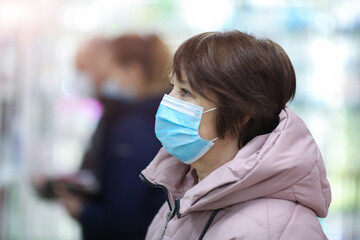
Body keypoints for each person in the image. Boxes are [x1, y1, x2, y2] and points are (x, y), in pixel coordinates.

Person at [140, 30, 332, 239]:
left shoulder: (284, 229)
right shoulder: (181, 197)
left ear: (240, 114)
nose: (168, 100)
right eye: (172, 87)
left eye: (186, 92)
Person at [38, 34, 171, 240]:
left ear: (133, 72)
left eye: (110, 74)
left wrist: (82, 211)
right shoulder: (145, 117)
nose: (105, 82)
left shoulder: (135, 126)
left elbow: (127, 214)